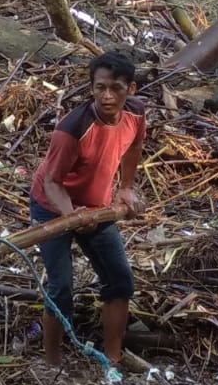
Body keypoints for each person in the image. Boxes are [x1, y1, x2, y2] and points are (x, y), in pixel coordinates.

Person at [29, 51, 148, 367]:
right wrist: (71, 216)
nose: (107, 96)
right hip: (52, 208)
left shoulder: (136, 114)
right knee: (61, 287)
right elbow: (53, 181)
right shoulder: (72, 127)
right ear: (92, 88)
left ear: (131, 89)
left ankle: (113, 358)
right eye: (100, 88)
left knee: (120, 280)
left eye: (116, 88)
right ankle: (52, 365)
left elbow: (134, 146)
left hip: (96, 207)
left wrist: (125, 187)